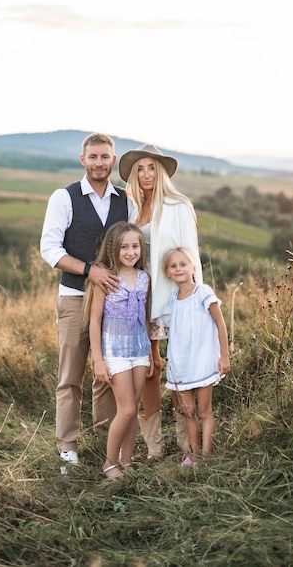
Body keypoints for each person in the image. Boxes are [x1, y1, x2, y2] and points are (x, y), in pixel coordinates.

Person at [40, 132, 134, 474]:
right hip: (75, 299)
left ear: (113, 160)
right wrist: (89, 271)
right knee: (70, 376)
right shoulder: (64, 198)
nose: (98, 163)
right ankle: (67, 449)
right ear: (83, 160)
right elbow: (50, 249)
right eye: (92, 157)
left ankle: (105, 443)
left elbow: (134, 248)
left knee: (109, 374)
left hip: (116, 304)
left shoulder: (126, 200)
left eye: (104, 157)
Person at [118, 144, 203, 459]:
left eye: (151, 167)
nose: (145, 174)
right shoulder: (132, 210)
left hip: (173, 297)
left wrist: (194, 299)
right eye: (139, 169)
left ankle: (187, 443)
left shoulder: (178, 206)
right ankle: (154, 445)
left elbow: (189, 256)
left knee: (180, 365)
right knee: (150, 369)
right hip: (140, 298)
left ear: (162, 171)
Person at [83, 221, 153, 479]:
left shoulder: (145, 278)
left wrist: (151, 354)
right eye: (124, 247)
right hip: (115, 350)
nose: (131, 252)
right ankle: (110, 463)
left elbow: (144, 316)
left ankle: (127, 460)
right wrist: (98, 360)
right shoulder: (106, 279)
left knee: (133, 409)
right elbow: (94, 321)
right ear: (114, 249)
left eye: (135, 246)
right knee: (124, 409)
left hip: (139, 348)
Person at [163, 247, 230, 465]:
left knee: (204, 410)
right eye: (173, 266)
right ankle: (193, 454)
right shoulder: (173, 299)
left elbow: (220, 324)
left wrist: (224, 356)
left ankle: (206, 456)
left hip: (202, 362)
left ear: (193, 267)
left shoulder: (203, 292)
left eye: (183, 264)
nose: (178, 268)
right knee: (187, 411)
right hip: (182, 365)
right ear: (168, 273)